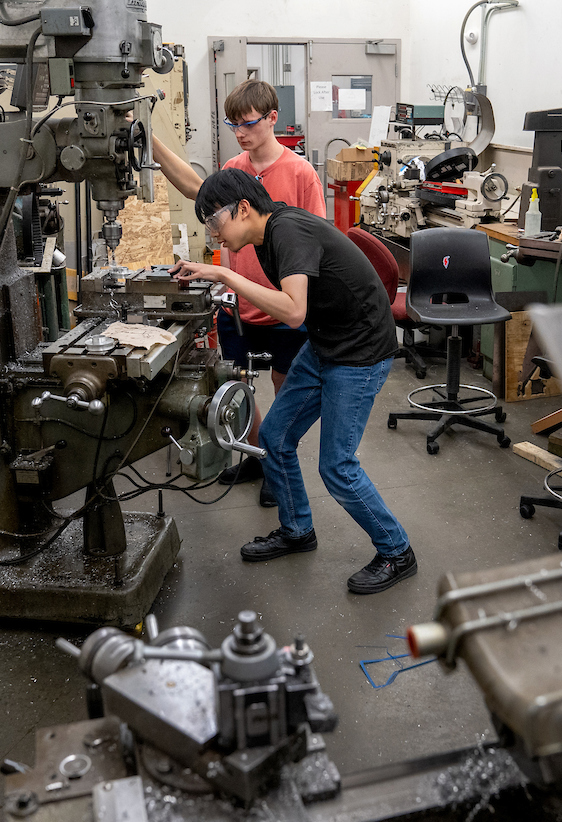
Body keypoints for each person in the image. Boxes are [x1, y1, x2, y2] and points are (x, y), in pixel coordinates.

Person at [170, 169, 417, 595]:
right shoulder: (265, 234)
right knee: (275, 437)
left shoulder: (288, 233)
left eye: (215, 223)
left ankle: (397, 552)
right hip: (327, 343)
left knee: (337, 466)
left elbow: (293, 311)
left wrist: (226, 276)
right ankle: (297, 529)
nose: (214, 234)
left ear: (243, 209)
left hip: (360, 353)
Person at [152, 80, 325, 508]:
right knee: (239, 386)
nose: (241, 133)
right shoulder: (234, 167)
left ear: (272, 118)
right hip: (239, 306)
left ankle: (278, 461)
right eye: (233, 125)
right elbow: (196, 188)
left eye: (248, 123)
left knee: (286, 391)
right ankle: (257, 458)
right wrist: (150, 142)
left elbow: (316, 239)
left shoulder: (300, 173)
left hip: (285, 307)